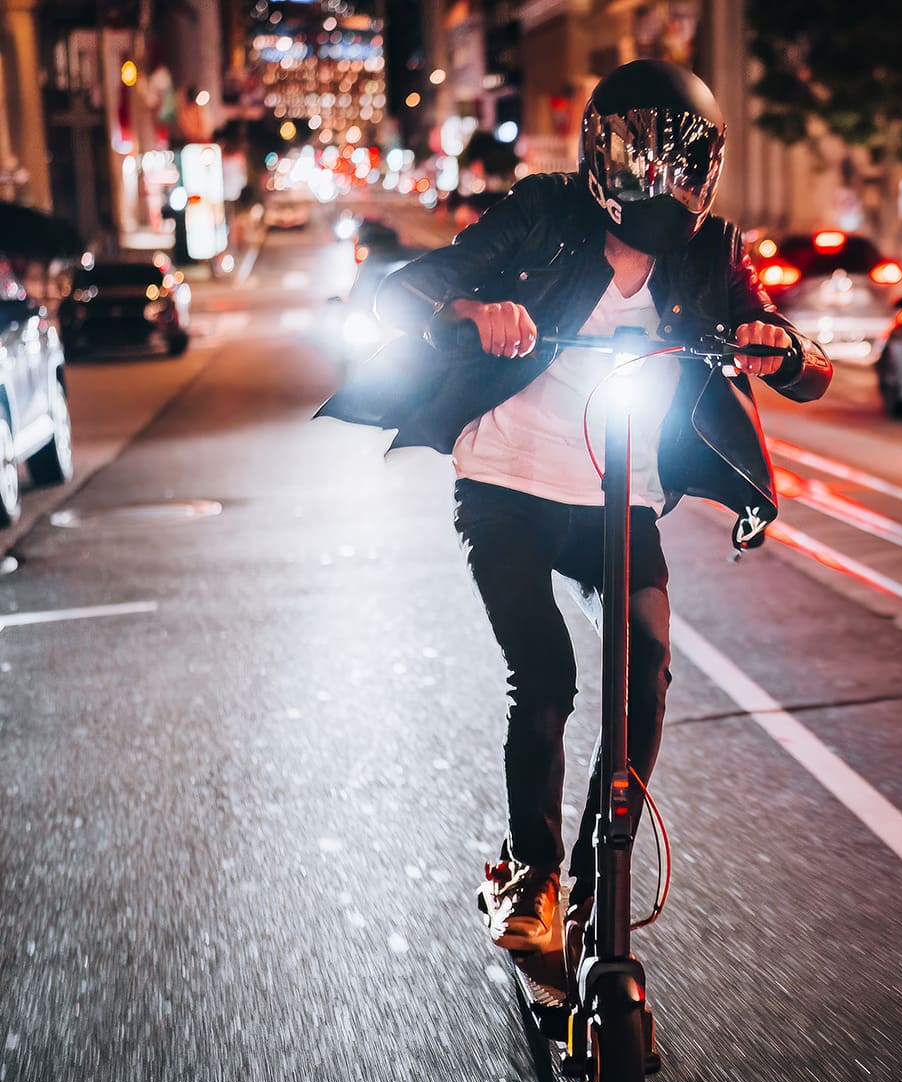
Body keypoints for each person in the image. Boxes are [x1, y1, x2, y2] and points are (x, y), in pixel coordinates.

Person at [318, 59, 832, 953]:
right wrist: (476, 309)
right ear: (606, 156)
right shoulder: (545, 213)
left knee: (647, 677)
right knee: (546, 677)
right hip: (506, 486)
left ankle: (601, 878)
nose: (665, 181)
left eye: (684, 165)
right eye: (649, 160)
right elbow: (408, 290)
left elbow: (802, 357)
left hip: (617, 493)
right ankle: (534, 875)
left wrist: (777, 348)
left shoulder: (711, 252)